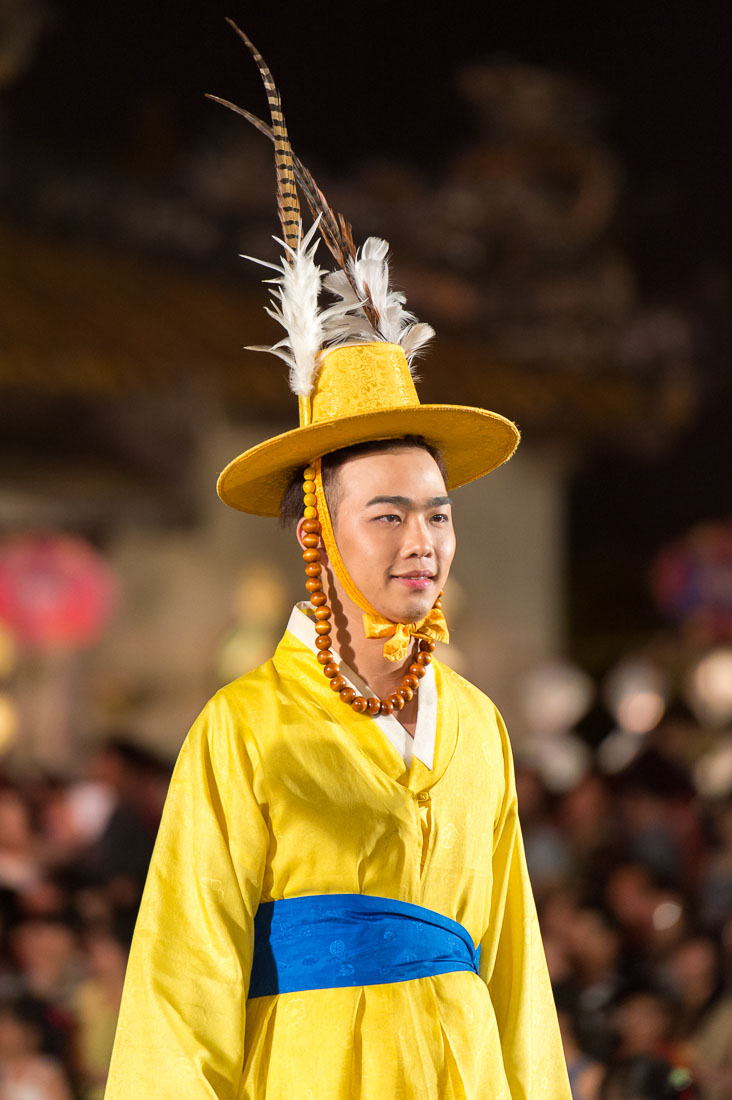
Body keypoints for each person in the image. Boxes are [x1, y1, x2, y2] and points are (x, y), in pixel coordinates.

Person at [104, 25, 571, 1100]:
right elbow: (180, 990)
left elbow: (516, 977)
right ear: (316, 529)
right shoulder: (243, 728)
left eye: (439, 514)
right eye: (388, 514)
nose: (424, 542)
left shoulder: (478, 727)